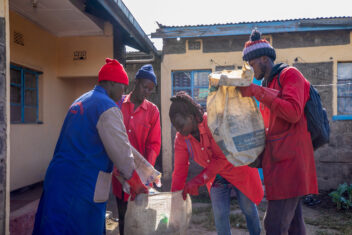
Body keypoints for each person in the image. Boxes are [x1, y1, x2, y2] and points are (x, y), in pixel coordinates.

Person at [33, 58, 149, 235]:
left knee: (54, 227)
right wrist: (135, 181)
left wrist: (138, 171)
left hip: (58, 180)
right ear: (111, 84)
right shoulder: (107, 107)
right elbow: (121, 153)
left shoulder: (81, 100)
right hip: (80, 185)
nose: (123, 93)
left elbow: (111, 143)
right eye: (122, 87)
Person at [239, 29, 318, 234]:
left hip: (291, 165)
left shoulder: (290, 75)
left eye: (252, 63)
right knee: (293, 225)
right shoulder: (268, 84)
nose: (249, 68)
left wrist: (256, 91)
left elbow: (293, 112)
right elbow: (270, 129)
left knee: (273, 225)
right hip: (278, 165)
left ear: (265, 58)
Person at [169, 91, 263, 235]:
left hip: (238, 169)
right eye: (176, 127)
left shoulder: (212, 123)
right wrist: (175, 197)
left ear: (191, 117)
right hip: (216, 176)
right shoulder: (182, 138)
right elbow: (180, 169)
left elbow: (222, 158)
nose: (179, 130)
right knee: (219, 214)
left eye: (181, 125)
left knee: (248, 208)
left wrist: (199, 180)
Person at [112, 64, 161, 235]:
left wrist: (146, 171)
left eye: (150, 89)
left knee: (140, 219)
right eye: (144, 87)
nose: (147, 92)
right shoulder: (118, 104)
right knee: (123, 216)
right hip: (119, 174)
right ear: (136, 82)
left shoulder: (153, 111)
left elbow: (154, 144)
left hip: (140, 178)